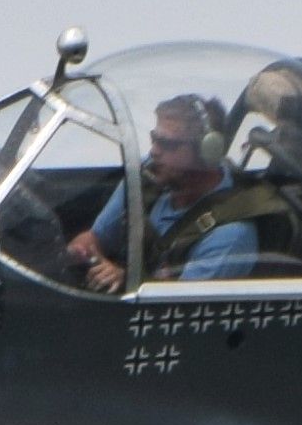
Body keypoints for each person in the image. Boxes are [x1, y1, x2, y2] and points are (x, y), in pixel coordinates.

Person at [65, 92, 268, 292]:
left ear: (207, 153)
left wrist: (124, 279)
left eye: (167, 144)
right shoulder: (148, 175)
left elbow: (181, 310)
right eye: (154, 139)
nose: (154, 151)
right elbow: (96, 237)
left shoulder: (229, 236)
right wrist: (79, 252)